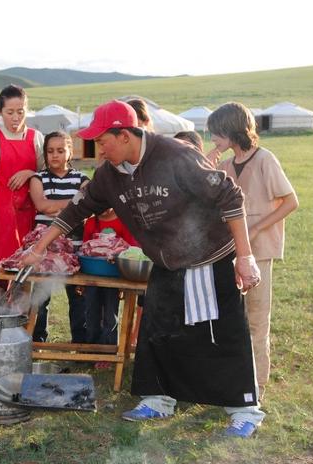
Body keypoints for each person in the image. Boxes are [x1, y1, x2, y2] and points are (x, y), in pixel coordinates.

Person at [20, 100, 264, 438]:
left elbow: (230, 196)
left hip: (209, 254)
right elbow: (76, 210)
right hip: (165, 260)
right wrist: (38, 249)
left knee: (221, 331)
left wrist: (246, 256)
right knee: (157, 330)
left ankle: (245, 410)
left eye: (102, 140)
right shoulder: (108, 175)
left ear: (124, 135)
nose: (99, 150)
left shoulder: (175, 155)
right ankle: (159, 399)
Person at [207, 102, 298, 399]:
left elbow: (290, 201)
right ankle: (233, 375)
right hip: (230, 251)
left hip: (259, 251)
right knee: (233, 318)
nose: (213, 140)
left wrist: (257, 228)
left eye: (216, 134)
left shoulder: (265, 160)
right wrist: (208, 164)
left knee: (257, 318)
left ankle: (257, 384)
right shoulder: (225, 165)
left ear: (232, 130)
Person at [0, 85, 44, 295]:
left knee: (27, 274)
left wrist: (31, 172)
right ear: (0, 112)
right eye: (10, 112)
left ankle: (26, 323)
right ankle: (0, 321)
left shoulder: (36, 138)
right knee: (1, 276)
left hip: (29, 213)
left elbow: (48, 172)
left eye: (20, 112)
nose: (15, 117)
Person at [27, 131, 90, 343]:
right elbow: (42, 206)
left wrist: (57, 206)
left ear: (70, 151)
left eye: (61, 150)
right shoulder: (38, 178)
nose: (55, 155)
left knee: (79, 297)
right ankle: (37, 340)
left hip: (75, 248)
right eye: (50, 151)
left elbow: (86, 207)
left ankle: (80, 344)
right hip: (45, 250)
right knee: (40, 297)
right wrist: (73, 204)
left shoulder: (81, 178)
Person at [82, 210, 137, 361]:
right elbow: (84, 248)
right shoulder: (91, 223)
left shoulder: (123, 221)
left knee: (110, 314)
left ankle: (108, 353)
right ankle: (91, 351)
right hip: (92, 274)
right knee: (91, 312)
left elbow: (130, 248)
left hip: (114, 275)